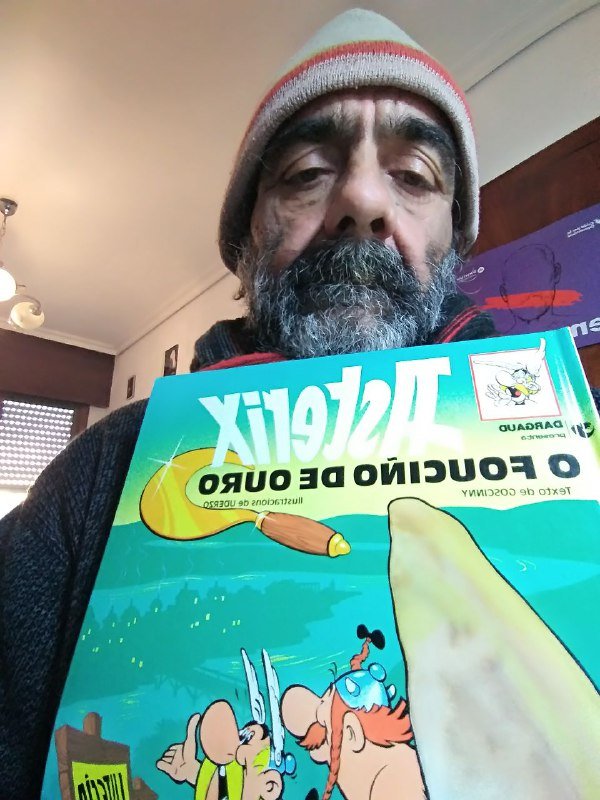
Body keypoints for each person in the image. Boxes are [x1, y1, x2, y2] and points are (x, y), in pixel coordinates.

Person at [1, 8, 598, 798]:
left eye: (415, 175)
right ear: (247, 236)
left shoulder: (584, 444)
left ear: (453, 240)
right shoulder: (102, 473)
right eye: (308, 171)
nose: (362, 196)